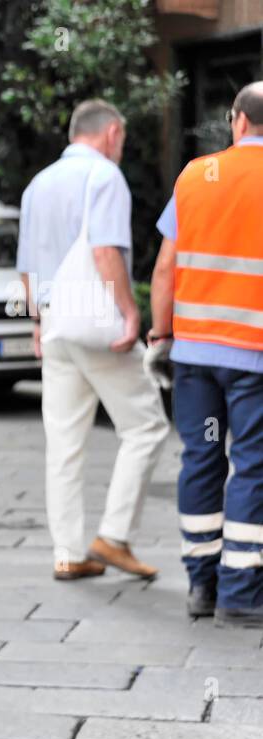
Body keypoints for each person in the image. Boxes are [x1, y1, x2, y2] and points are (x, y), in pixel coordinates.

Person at [16, 98, 169, 582]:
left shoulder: (37, 184)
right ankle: (114, 535)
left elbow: (26, 265)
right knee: (146, 427)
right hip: (96, 325)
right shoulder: (104, 176)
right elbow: (105, 251)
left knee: (64, 442)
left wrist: (38, 322)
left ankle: (67, 553)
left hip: (57, 327)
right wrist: (129, 312)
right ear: (113, 133)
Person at [147, 82, 263, 627]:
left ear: (237, 120)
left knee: (201, 459)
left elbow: (166, 266)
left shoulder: (197, 175)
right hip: (254, 356)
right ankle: (241, 592)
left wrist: (158, 336)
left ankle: (201, 583)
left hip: (194, 354)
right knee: (253, 467)